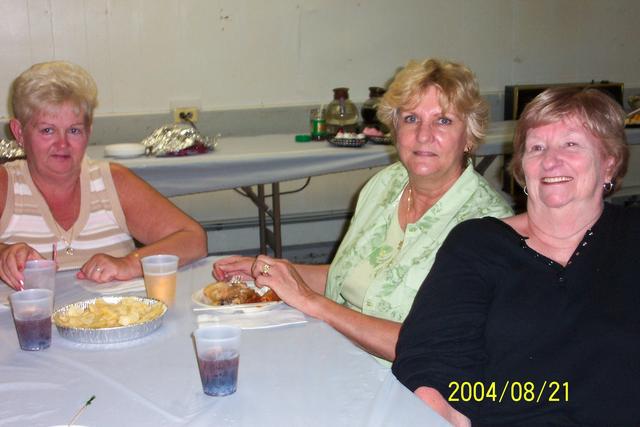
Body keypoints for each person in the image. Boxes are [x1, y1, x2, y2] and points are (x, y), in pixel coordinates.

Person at [213, 58, 512, 362]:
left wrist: (312, 302)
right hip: (337, 355)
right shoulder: (386, 184)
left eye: (443, 120)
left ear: (470, 137)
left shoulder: (488, 227)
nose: (423, 135)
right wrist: (272, 271)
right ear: (394, 128)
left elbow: (432, 347)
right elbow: (357, 277)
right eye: (411, 119)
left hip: (413, 390)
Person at [392, 87, 639, 426]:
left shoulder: (632, 238)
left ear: (609, 162)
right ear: (522, 167)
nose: (551, 160)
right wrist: (445, 409)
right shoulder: (478, 244)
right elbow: (433, 357)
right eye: (536, 147)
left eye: (571, 144)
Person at [0, 61, 207, 290]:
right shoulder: (5, 185)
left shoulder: (114, 182)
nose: (62, 144)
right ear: (19, 132)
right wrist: (3, 253)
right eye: (47, 130)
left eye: (74, 130)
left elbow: (194, 240)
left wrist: (130, 263)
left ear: (89, 132)